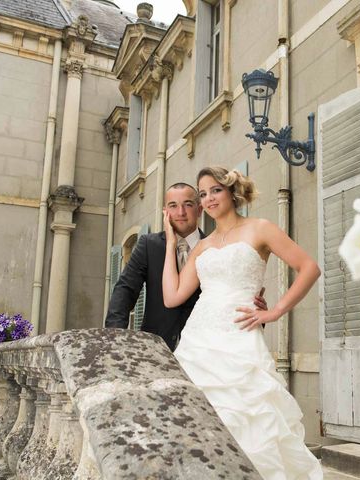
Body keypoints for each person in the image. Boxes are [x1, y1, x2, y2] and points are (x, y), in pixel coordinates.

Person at [162, 166, 323, 479]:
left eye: (215, 190)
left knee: (248, 423)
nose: (208, 199)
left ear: (231, 192)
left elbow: (309, 268)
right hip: (198, 341)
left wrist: (274, 311)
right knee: (196, 423)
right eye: (203, 194)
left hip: (239, 338)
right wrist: (171, 244)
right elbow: (173, 296)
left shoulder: (259, 228)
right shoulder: (202, 246)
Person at [105, 182, 266, 350]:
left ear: (199, 209)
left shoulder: (217, 249)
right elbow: (126, 289)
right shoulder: (148, 245)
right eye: (173, 206)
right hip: (157, 348)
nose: (180, 212)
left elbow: (233, 296)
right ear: (165, 212)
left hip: (207, 348)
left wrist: (256, 314)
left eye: (188, 205)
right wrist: (115, 337)